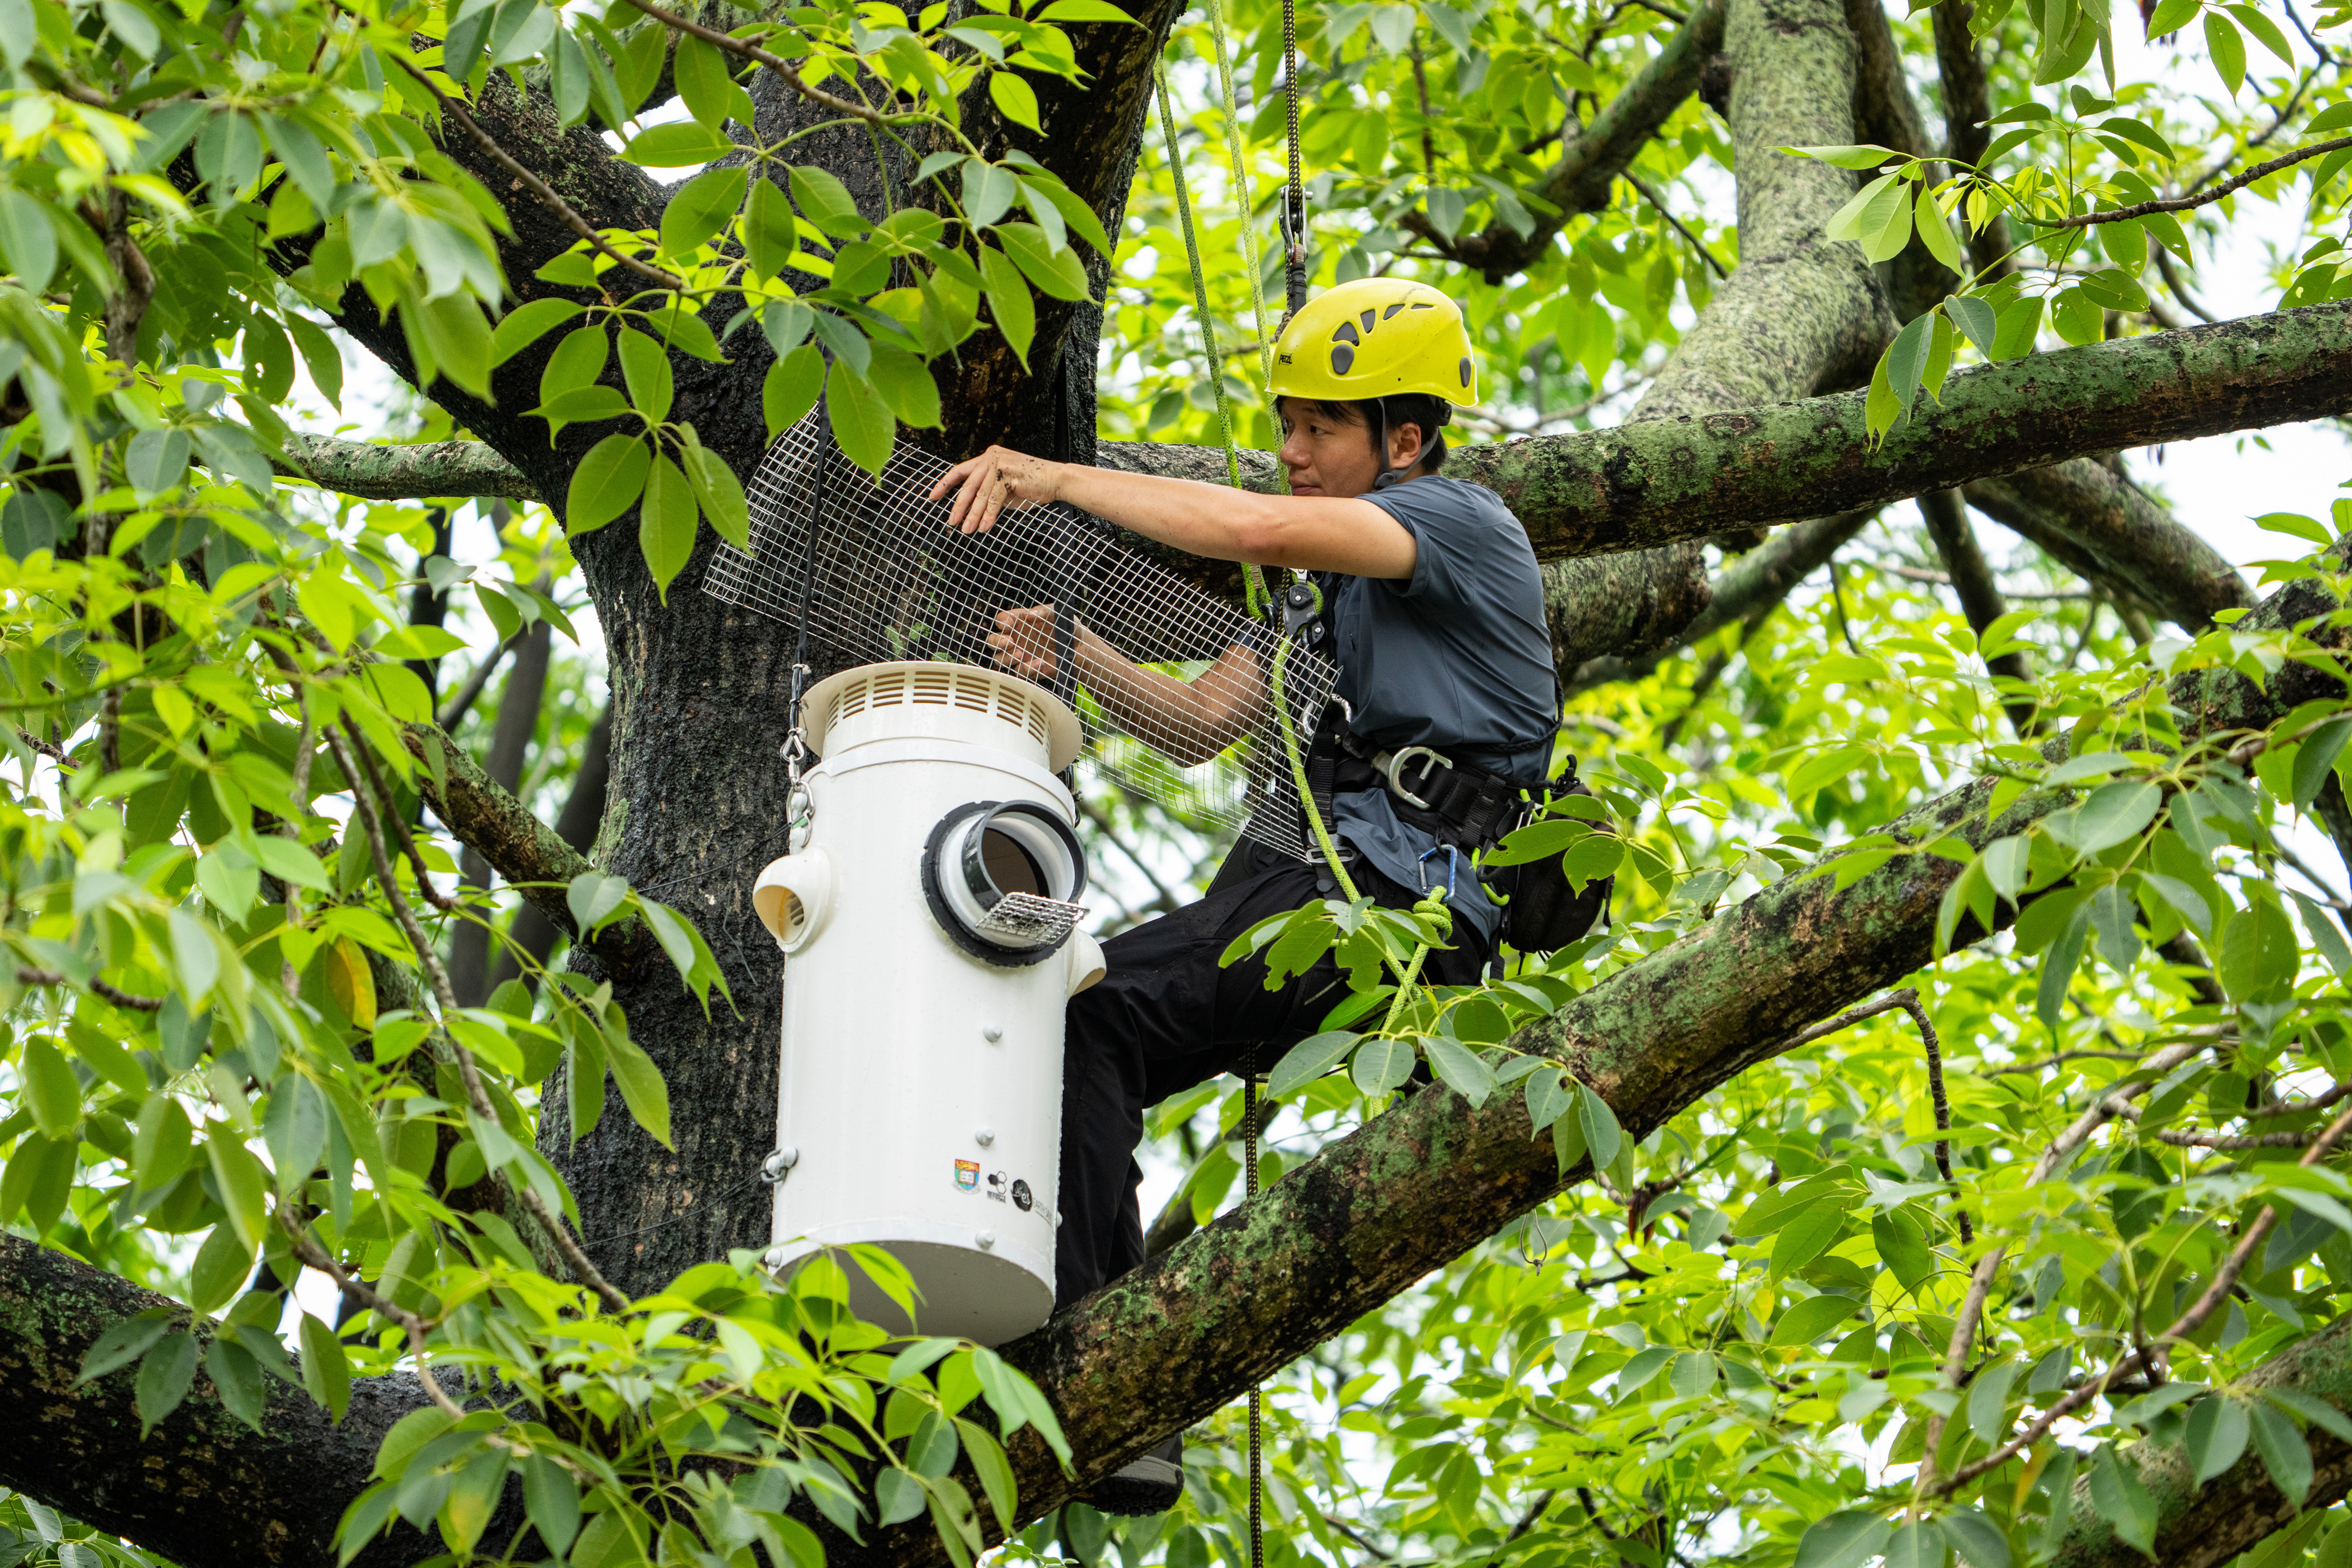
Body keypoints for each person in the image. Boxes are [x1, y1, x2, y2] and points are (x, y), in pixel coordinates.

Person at [927, 277, 1560, 1515]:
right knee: (1081, 1024)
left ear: (1407, 440)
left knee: (1092, 1012)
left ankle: (1095, 1357)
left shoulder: (1459, 525)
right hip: (1318, 896)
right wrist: (1080, 655)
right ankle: (1103, 1361)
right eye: (1287, 425)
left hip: (1384, 897)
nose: (1290, 454)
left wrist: (1053, 477)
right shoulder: (1324, 602)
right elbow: (1197, 725)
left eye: (1319, 429)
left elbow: (1258, 530)